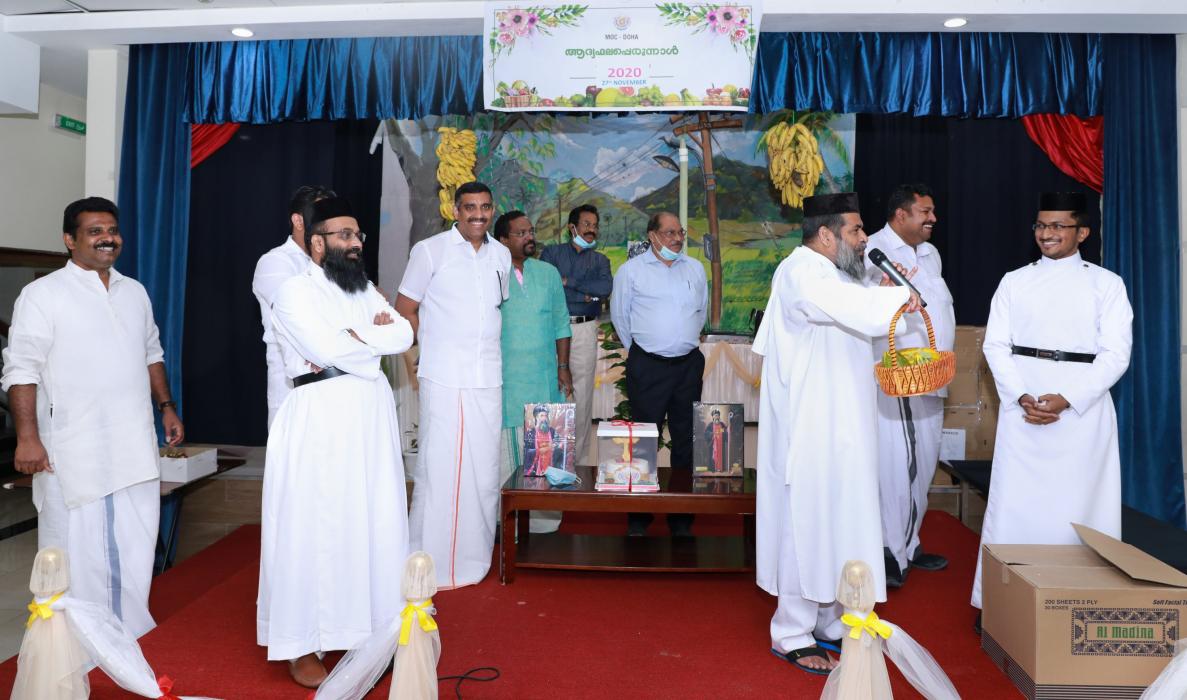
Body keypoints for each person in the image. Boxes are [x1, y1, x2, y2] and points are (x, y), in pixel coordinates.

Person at [1, 197, 184, 639]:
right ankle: (71, 641)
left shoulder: (134, 291)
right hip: (73, 447)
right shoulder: (43, 295)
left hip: (133, 442)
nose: (108, 239)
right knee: (70, 547)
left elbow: (151, 354)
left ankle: (127, 631)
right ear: (70, 239)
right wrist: (27, 438)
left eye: (112, 230)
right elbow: (21, 370)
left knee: (136, 539)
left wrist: (166, 407)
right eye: (95, 231)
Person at [754, 192, 919, 675]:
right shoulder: (802, 271)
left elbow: (861, 313)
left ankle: (829, 619)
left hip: (843, 426)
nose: (865, 237)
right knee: (805, 523)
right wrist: (897, 295)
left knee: (839, 520)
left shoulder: (837, 274)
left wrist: (884, 292)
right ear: (826, 235)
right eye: (856, 229)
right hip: (811, 430)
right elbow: (855, 308)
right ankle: (791, 631)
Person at [256, 196, 415, 687]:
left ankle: (371, 632)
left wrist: (355, 337)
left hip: (369, 417)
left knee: (371, 520)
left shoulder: (364, 289)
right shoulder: (293, 292)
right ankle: (301, 643)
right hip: (319, 415)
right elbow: (324, 348)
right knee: (314, 526)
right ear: (317, 243)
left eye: (358, 234)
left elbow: (404, 334)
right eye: (344, 235)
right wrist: (369, 339)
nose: (355, 243)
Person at [971, 191, 1132, 618]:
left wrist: (1068, 399)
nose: (1047, 233)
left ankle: (1080, 603)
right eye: (1041, 225)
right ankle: (1001, 606)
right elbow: (995, 345)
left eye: (1058, 226)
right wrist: (1021, 395)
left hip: (1082, 412)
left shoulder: (1107, 284)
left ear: (1083, 233)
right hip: (1022, 407)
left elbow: (1116, 355)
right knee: (1014, 506)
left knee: (1080, 508)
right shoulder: (1014, 281)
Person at [395, 181, 511, 589]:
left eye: (485, 207)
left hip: (487, 377)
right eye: (469, 207)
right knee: (438, 467)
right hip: (443, 375)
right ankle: (427, 562)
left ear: (492, 210)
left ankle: (473, 560)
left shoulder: (501, 254)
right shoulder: (429, 251)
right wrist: (420, 355)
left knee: (483, 470)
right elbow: (405, 308)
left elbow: (494, 309)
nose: (478, 215)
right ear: (455, 211)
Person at [863, 183, 955, 586]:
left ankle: (910, 542)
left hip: (932, 376)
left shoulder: (930, 253)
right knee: (897, 466)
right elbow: (870, 309)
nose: (933, 218)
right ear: (901, 215)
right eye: (925, 212)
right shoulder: (874, 251)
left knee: (925, 462)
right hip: (900, 379)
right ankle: (889, 553)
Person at [610, 211, 707, 537]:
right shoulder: (631, 271)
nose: (677, 239)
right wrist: (645, 352)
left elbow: (700, 312)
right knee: (643, 441)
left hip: (687, 366)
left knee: (686, 440)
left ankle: (682, 517)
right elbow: (620, 317)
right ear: (652, 235)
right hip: (648, 366)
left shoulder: (695, 268)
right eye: (669, 233)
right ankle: (639, 516)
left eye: (680, 232)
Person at [492, 211, 572, 481]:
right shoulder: (491, 273)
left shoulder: (548, 273)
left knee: (546, 457)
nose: (530, 237)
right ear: (503, 240)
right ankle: (507, 506)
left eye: (531, 232)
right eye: (521, 233)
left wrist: (563, 367)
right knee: (507, 459)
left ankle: (544, 508)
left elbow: (561, 323)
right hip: (506, 379)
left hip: (544, 377)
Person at [252, 184, 337, 428]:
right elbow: (299, 315)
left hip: (335, 385)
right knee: (294, 450)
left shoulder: (336, 264)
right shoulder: (275, 262)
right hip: (292, 386)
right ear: (298, 221)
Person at [540, 204, 612, 465]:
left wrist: (570, 283)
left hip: (584, 329)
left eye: (595, 225)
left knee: (582, 395)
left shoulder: (600, 260)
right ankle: (550, 459)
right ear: (572, 227)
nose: (592, 229)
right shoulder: (552, 253)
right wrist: (585, 295)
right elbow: (547, 287)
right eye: (586, 224)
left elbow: (604, 288)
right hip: (552, 329)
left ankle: (578, 461)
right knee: (553, 390)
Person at [523, 406, 565, 477]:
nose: (544, 418)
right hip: (535, 469)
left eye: (546, 416)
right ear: (536, 417)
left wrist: (554, 447)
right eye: (541, 415)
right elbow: (527, 452)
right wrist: (539, 450)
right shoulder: (530, 433)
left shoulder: (552, 431)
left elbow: (559, 444)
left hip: (551, 466)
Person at [704, 408, 731, 474]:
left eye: (718, 415)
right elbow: (706, 433)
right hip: (713, 445)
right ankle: (713, 469)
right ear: (713, 416)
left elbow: (725, 431)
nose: (716, 416)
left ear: (719, 416)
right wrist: (712, 434)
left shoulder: (722, 424)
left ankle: (720, 469)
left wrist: (726, 430)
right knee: (713, 456)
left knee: (721, 456)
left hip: (720, 445)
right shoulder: (710, 425)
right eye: (715, 415)